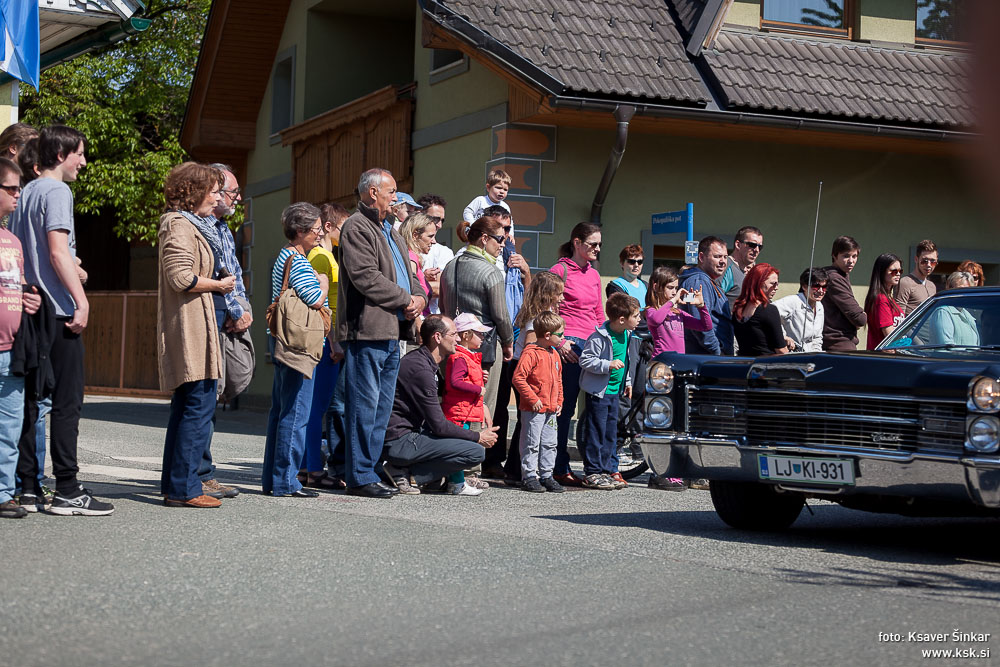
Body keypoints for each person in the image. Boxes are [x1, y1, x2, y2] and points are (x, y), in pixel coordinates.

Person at [9, 125, 115, 516]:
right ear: (60, 155)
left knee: (31, 401)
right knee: (67, 401)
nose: (83, 162)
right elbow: (56, 251)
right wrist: (81, 299)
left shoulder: (25, 193)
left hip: (30, 307)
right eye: (80, 154)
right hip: (56, 308)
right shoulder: (57, 191)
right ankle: (68, 488)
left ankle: (29, 486)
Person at [337, 168, 425, 498]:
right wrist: (406, 300)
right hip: (368, 329)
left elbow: (411, 274)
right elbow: (365, 277)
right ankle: (359, 475)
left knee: (381, 408)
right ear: (373, 193)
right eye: (391, 192)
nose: (396, 197)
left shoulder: (392, 231)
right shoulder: (357, 227)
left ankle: (369, 468)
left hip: (391, 330)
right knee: (364, 405)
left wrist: (418, 296)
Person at [156, 162, 234, 508]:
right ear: (194, 193)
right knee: (196, 406)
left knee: (191, 404)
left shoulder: (191, 224)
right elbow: (180, 277)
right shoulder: (177, 225)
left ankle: (177, 485)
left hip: (200, 321)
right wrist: (218, 284)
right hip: (190, 325)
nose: (217, 198)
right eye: (213, 191)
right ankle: (184, 488)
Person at [382, 315, 497, 496]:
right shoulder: (420, 368)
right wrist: (477, 436)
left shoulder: (425, 362)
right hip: (399, 440)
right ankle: (405, 471)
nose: (458, 339)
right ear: (437, 337)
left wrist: (480, 403)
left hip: (409, 435)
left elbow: (446, 398)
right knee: (475, 452)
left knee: (466, 444)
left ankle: (422, 475)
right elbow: (439, 425)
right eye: (453, 334)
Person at [262, 203, 329, 498]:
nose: (320, 234)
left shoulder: (284, 257)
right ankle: (287, 481)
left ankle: (274, 479)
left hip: (284, 344)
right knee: (296, 414)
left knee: (281, 412)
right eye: (316, 229)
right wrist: (324, 283)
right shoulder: (298, 261)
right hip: (299, 348)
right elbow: (314, 299)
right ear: (300, 231)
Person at [197, 162, 247, 501]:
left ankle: (201, 472)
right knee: (199, 399)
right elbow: (206, 274)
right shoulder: (197, 226)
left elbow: (236, 273)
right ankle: (198, 474)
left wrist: (242, 308)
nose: (236, 198)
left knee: (217, 392)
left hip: (226, 315)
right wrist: (232, 309)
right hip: (207, 316)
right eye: (230, 192)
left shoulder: (224, 228)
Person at [439, 214, 514, 433]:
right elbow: (501, 315)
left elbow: (444, 308)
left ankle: (455, 461)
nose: (503, 245)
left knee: (454, 406)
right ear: (484, 238)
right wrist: (508, 341)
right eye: (499, 239)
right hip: (484, 348)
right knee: (481, 407)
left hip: (451, 346)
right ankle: (473, 465)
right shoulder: (491, 272)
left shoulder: (450, 266)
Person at [0, 158, 42, 518]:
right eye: (11, 188)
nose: (18, 194)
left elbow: (20, 286)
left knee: (10, 427)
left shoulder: (12, 240)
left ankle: (2, 493)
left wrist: (33, 298)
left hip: (13, 348)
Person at [549, 222, 604, 487]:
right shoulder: (560, 270)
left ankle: (597, 467)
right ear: (577, 243)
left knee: (596, 408)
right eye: (593, 244)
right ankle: (559, 466)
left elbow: (598, 313)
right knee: (565, 408)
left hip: (592, 346)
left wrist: (608, 342)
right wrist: (559, 342)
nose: (597, 248)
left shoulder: (593, 274)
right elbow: (545, 311)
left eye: (599, 244)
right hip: (569, 347)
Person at [480, 203, 529, 479]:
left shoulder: (510, 254)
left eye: (509, 229)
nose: (508, 236)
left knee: (510, 401)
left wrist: (525, 272)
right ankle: (487, 458)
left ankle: (505, 459)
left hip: (515, 336)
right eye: (502, 230)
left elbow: (527, 296)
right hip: (492, 336)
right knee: (493, 400)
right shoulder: (484, 257)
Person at [301, 202, 348, 491]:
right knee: (315, 408)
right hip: (327, 339)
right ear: (328, 228)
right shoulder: (320, 257)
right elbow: (321, 303)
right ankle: (311, 469)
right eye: (343, 228)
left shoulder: (330, 256)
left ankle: (309, 466)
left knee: (318, 407)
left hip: (330, 336)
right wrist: (332, 339)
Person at [503, 270, 565, 484]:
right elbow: (531, 346)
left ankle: (526, 470)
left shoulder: (545, 315)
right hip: (527, 369)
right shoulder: (535, 319)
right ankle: (518, 471)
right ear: (547, 294)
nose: (562, 298)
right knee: (527, 424)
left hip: (539, 369)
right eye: (559, 293)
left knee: (531, 426)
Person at [578, 293, 639, 490]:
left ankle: (608, 469)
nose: (639, 319)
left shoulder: (627, 335)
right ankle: (592, 472)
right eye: (636, 316)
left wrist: (627, 381)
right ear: (622, 319)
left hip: (616, 392)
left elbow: (626, 362)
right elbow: (585, 360)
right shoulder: (598, 337)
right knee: (596, 432)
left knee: (611, 432)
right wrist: (607, 364)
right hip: (599, 393)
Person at [511, 310, 565, 493]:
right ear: (548, 335)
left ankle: (546, 475)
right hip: (534, 408)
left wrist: (559, 401)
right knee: (531, 442)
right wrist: (532, 399)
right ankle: (529, 476)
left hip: (550, 408)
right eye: (560, 335)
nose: (562, 338)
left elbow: (558, 380)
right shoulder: (531, 353)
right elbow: (519, 378)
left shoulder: (555, 354)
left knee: (550, 443)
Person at [441, 312, 493, 494]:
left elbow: (465, 379)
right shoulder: (461, 357)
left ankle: (457, 482)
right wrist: (478, 389)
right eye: (479, 333)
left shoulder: (467, 357)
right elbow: (455, 382)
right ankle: (456, 483)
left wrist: (480, 378)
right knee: (459, 448)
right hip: (459, 412)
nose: (483, 337)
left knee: (461, 447)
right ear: (466, 335)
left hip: (464, 410)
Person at [681, 236, 734, 356]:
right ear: (701, 257)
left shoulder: (707, 281)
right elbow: (699, 321)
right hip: (706, 359)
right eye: (717, 256)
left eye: (725, 257)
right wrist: (717, 352)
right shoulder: (699, 281)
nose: (723, 261)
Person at [645, 265, 710, 356]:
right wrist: (673, 301)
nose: (674, 292)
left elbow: (706, 326)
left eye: (676, 288)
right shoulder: (651, 310)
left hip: (678, 361)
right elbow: (656, 319)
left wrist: (702, 307)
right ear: (656, 287)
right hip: (661, 362)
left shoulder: (677, 312)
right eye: (670, 288)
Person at [821, 236, 867, 351]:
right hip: (838, 342)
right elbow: (859, 318)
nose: (851, 261)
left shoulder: (840, 275)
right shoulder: (834, 278)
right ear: (834, 255)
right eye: (846, 256)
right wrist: (863, 316)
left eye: (854, 256)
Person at [733, 263, 788, 356]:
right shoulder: (768, 309)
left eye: (777, 284)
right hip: (766, 365)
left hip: (744, 364)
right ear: (759, 283)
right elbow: (781, 350)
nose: (776, 288)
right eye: (773, 284)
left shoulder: (738, 309)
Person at [774, 268, 828, 353]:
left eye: (824, 287)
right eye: (816, 286)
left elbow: (817, 338)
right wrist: (783, 336)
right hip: (792, 356)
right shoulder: (793, 302)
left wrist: (816, 355)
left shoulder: (820, 306)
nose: (821, 291)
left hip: (811, 357)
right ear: (804, 286)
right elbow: (768, 313)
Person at [417, 193, 453, 314]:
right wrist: (424, 278)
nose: (439, 225)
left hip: (431, 319)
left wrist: (416, 279)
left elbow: (440, 289)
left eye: (442, 220)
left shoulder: (444, 252)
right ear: (419, 215)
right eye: (435, 219)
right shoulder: (402, 246)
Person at [400, 212, 436, 320]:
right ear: (415, 235)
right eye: (430, 236)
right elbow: (410, 301)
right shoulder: (411, 258)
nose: (434, 241)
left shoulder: (411, 257)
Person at [864, 253, 904, 350]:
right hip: (884, 357)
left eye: (900, 271)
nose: (898, 274)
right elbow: (889, 335)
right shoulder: (881, 299)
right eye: (894, 271)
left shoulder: (889, 299)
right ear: (882, 272)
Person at [928, 271, 979, 345]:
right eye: (960, 289)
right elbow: (945, 347)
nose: (964, 294)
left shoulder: (968, 315)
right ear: (949, 288)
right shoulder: (943, 312)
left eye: (967, 290)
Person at [718, 226, 763, 309]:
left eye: (760, 247)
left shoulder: (752, 271)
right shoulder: (724, 267)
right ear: (738, 245)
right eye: (752, 245)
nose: (756, 250)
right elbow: (713, 302)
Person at [896, 239, 938, 315]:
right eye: (924, 261)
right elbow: (899, 316)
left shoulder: (932, 286)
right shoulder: (905, 283)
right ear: (916, 259)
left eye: (933, 262)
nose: (928, 265)